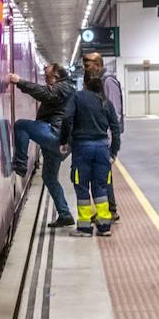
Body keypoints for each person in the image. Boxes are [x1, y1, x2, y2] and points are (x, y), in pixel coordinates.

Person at [9, 63, 77, 228]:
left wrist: (19, 82)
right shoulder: (64, 87)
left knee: (21, 125)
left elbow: (45, 93)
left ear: (57, 77)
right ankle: (65, 214)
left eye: (48, 77)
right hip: (56, 140)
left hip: (55, 135)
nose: (45, 80)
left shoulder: (63, 87)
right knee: (49, 177)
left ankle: (20, 165)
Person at [59, 72, 121, 237]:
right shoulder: (106, 103)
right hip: (102, 149)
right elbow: (115, 128)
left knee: (82, 187)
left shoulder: (77, 97)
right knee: (101, 187)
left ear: (84, 85)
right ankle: (104, 226)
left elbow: (66, 119)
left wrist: (63, 140)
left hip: (82, 149)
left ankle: (85, 228)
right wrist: (113, 152)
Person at [82, 52, 124, 220]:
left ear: (98, 65)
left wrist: (109, 141)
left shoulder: (108, 82)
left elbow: (115, 113)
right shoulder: (96, 82)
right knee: (101, 176)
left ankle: (110, 211)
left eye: (87, 65)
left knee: (103, 176)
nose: (85, 68)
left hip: (103, 138)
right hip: (97, 137)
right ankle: (107, 210)